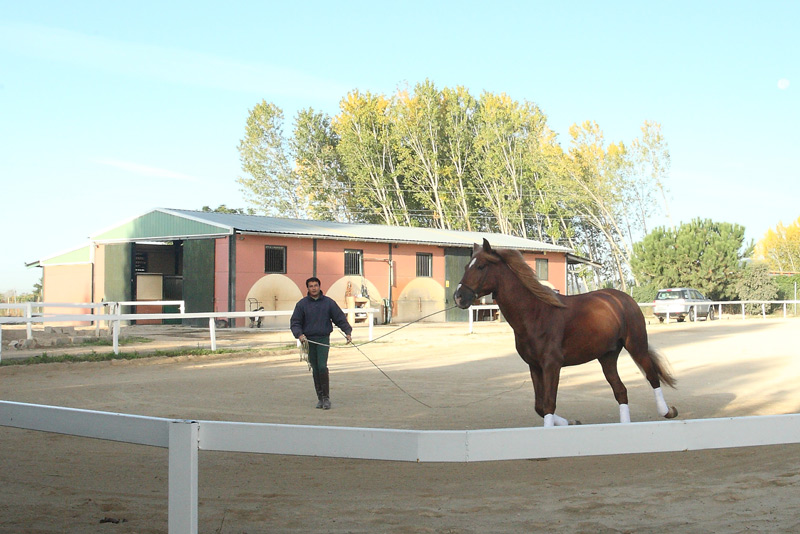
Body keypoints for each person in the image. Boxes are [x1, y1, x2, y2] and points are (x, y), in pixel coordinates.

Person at [290, 277, 353, 410]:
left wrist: (347, 332)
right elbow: (295, 322)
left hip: (323, 339)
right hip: (309, 340)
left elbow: (339, 318)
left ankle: (326, 398)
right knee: (315, 368)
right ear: (307, 288)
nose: (314, 288)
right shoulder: (302, 304)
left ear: (319, 286)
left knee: (322, 366)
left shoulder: (329, 303)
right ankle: (320, 398)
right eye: (311, 286)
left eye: (316, 285)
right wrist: (299, 334)